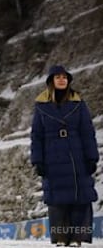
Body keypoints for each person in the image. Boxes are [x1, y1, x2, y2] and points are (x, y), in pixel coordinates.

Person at [31, 65, 98, 247]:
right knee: (57, 201)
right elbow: (36, 135)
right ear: (51, 81)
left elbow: (87, 131)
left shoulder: (78, 103)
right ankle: (60, 238)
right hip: (52, 158)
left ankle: (78, 239)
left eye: (65, 77)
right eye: (57, 77)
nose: (62, 79)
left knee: (80, 199)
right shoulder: (41, 106)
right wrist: (38, 160)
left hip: (77, 156)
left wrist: (92, 157)